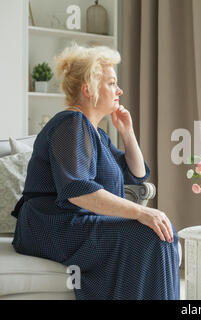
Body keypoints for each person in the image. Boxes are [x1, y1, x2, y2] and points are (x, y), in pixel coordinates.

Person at [11, 43, 180, 300]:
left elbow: (136, 173)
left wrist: (127, 133)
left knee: (161, 232)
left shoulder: (96, 134)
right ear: (88, 88)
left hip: (74, 221)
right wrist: (142, 211)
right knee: (151, 234)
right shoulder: (71, 123)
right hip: (51, 224)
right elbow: (79, 192)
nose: (119, 90)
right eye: (112, 83)